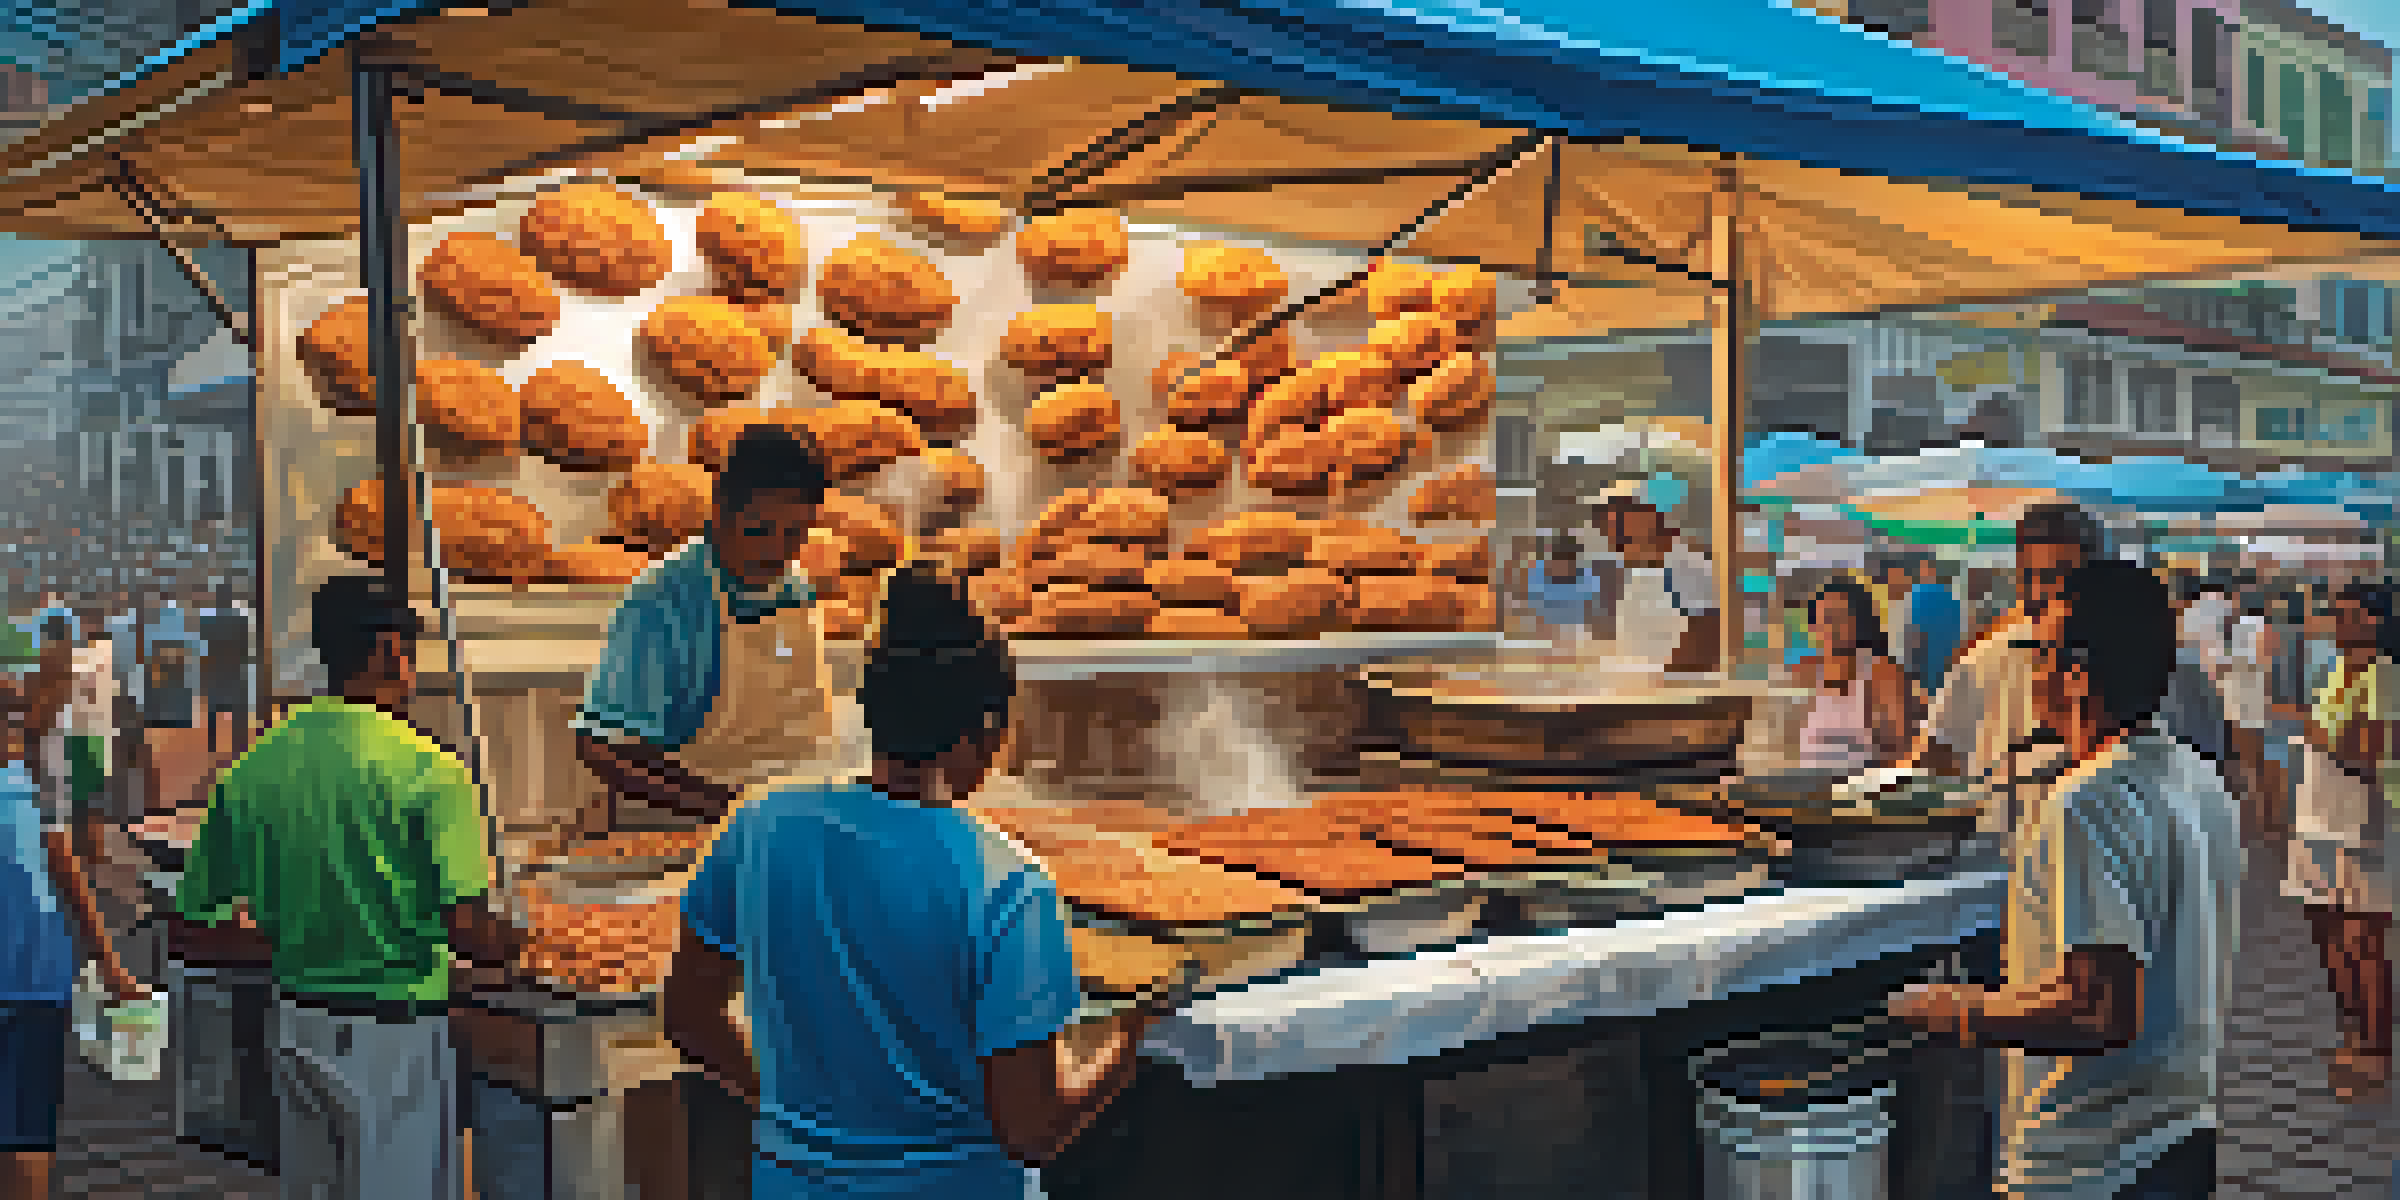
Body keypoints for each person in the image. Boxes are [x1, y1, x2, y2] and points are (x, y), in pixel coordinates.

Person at [664, 563, 1192, 1199]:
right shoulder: (1008, 885)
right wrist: (1127, 1043)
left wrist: (793, 1103)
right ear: (986, 730)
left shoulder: (761, 826)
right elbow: (1031, 1128)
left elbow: (688, 1014)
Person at [1891, 559, 2240, 1200]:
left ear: (2075, 674)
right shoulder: (2197, 778)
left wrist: (1957, 1012)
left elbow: (2099, 1008)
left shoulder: (2086, 803)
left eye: (2038, 654)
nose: (2030, 674)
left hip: (2088, 1163)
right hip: (2185, 1139)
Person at [176, 575, 525, 1200]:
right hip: (398, 1039)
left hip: (297, 1029)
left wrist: (296, 947)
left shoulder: (257, 766)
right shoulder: (430, 769)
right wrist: (518, 943)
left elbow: (191, 933)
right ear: (392, 651)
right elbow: (467, 931)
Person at [574, 425, 846, 834]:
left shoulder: (795, 591)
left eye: (795, 534)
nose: (777, 551)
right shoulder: (662, 600)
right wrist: (727, 807)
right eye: (759, 531)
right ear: (719, 511)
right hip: (674, 831)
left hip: (784, 828)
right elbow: (602, 746)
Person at [0, 617, 144, 1200]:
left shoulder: (36, 785)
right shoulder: (34, 787)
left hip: (33, 980)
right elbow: (68, 872)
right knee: (25, 1135)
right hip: (31, 980)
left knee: (26, 1136)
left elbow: (69, 868)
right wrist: (111, 964)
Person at [1905, 503, 2109, 844]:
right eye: (2036, 577)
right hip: (1994, 865)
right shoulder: (1982, 662)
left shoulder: (2133, 668)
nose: (2048, 591)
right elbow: (1933, 761)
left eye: (2065, 577)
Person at [2281, 581, 2397, 1099]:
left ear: (2376, 620)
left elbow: (2371, 753)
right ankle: (2353, 1030)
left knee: (2364, 940)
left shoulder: (2385, 676)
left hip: (2363, 825)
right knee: (2327, 932)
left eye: (2351, 613)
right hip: (2317, 820)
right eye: (2338, 612)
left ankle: (2374, 1046)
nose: (2340, 622)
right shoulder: (2335, 673)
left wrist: (2310, 729)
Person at [1789, 577, 1920, 772]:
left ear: (1860, 622)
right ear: (1812, 627)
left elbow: (1903, 753)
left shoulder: (1883, 673)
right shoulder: (1804, 673)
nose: (1831, 628)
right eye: (1824, 619)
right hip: (1809, 789)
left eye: (1840, 618)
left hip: (1867, 792)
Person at [1597, 493, 1719, 673]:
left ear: (1650, 521)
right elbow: (1630, 639)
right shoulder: (1644, 572)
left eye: (1623, 539)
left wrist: (1655, 676)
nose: (1618, 551)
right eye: (1614, 541)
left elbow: (1704, 643)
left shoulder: (1688, 567)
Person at [1524, 535, 1608, 649]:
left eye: (1569, 561)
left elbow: (1595, 610)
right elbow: (1531, 608)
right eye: (1558, 560)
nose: (1562, 566)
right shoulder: (1537, 574)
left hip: (1578, 635)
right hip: (1543, 634)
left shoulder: (1588, 578)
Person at [198, 581, 252, 756]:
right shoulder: (240, 619)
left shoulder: (207, 620)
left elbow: (203, 647)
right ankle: (238, 743)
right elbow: (245, 647)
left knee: (214, 708)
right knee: (237, 708)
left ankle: (212, 744)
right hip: (233, 669)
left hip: (215, 669)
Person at [1906, 556, 1962, 694]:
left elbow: (1913, 626)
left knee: (1931, 684)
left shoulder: (1919, 592)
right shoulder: (1945, 593)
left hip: (1933, 647)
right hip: (1936, 647)